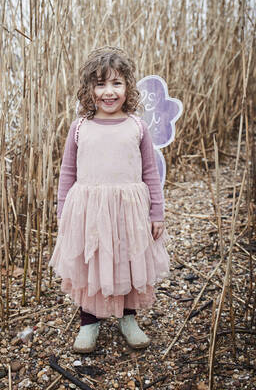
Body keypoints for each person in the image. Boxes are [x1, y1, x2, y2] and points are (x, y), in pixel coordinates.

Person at [49, 46, 169, 353]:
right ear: (89, 90)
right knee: (92, 265)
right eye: (101, 84)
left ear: (128, 87)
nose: (109, 92)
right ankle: (89, 322)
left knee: (128, 261)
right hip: (89, 212)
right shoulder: (80, 128)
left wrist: (157, 212)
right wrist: (63, 212)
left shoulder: (137, 127)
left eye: (116, 83)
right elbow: (68, 172)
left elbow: (150, 173)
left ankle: (128, 318)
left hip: (128, 211)